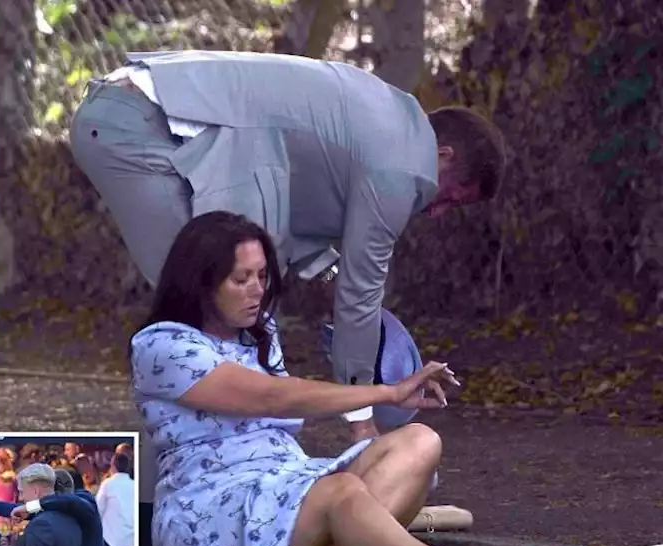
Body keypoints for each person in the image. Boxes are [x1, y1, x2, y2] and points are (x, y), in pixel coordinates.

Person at [69, 50, 508, 446]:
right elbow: (359, 298)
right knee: (202, 315)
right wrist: (361, 418)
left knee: (228, 316)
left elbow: (281, 194)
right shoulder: (402, 171)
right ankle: (176, 498)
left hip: (137, 104)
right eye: (452, 196)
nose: (438, 212)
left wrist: (324, 267)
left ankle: (235, 469)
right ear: (444, 154)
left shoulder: (387, 116)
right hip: (140, 125)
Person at [131, 211, 482, 546]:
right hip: (212, 512)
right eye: (241, 279)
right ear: (200, 283)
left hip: (285, 483)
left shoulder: (258, 333)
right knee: (342, 491)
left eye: (262, 276)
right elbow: (273, 397)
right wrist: (387, 393)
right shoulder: (161, 346)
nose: (257, 290)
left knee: (420, 442)